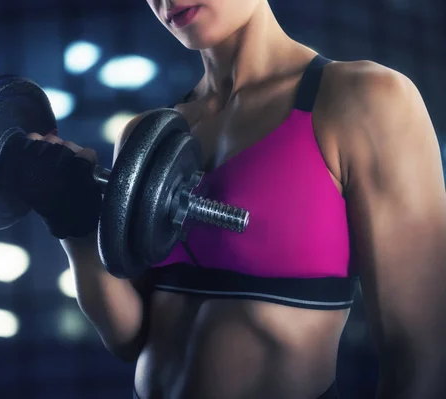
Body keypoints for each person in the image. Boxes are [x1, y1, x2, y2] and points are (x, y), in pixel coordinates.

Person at [29, 0, 446, 398]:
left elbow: (423, 357)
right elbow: (132, 339)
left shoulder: (366, 100)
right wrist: (75, 226)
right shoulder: (145, 136)